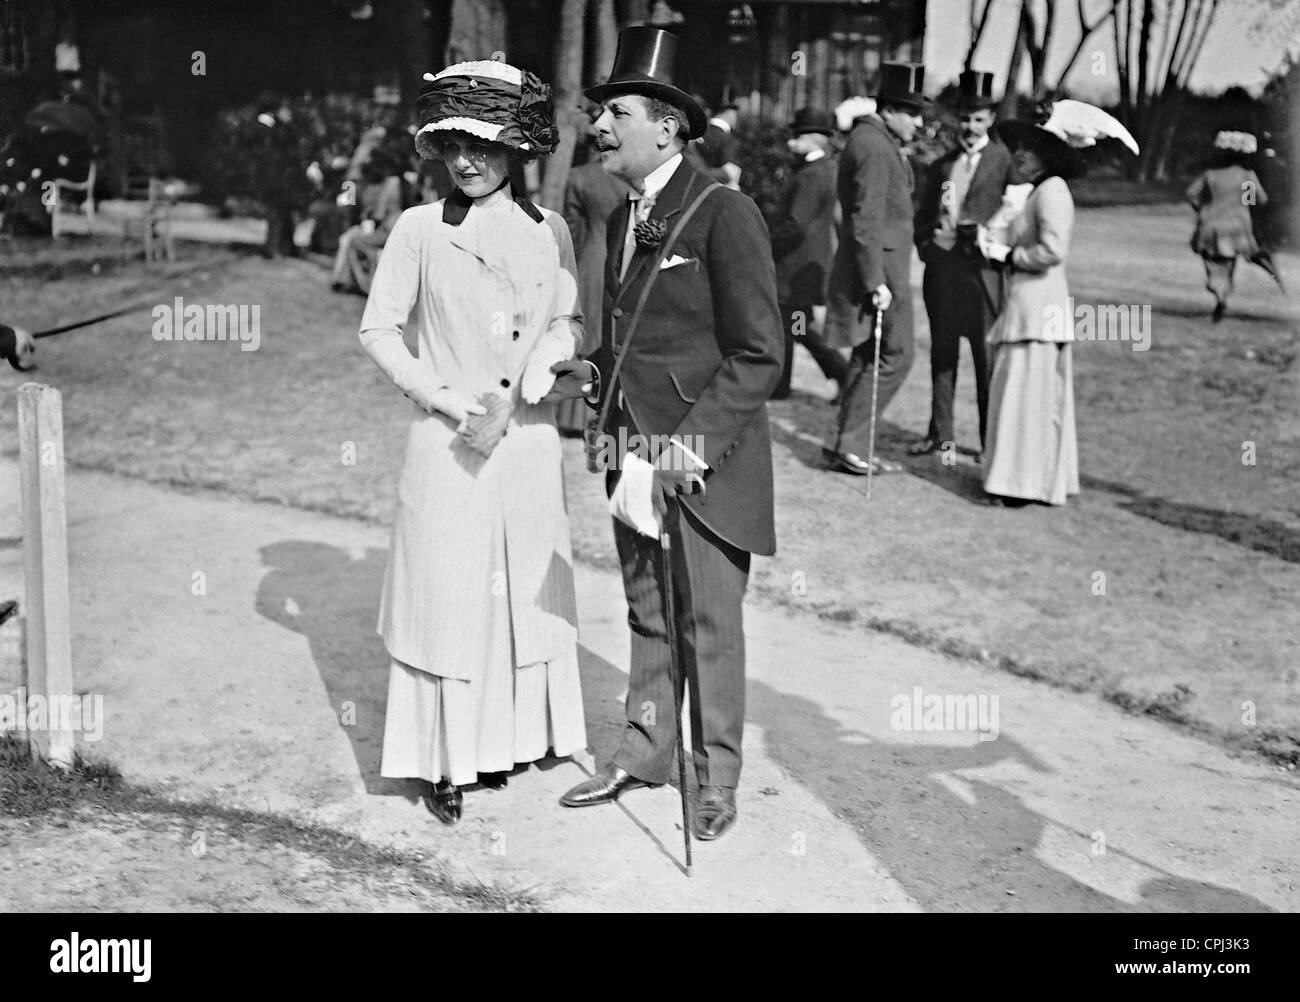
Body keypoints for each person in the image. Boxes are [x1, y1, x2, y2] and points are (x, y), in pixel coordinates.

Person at [549, 26, 783, 841]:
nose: (599, 126)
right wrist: (578, 374)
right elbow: (625, 338)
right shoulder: (620, 216)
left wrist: (682, 449)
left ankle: (714, 782)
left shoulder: (726, 212)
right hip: (627, 455)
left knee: (707, 626)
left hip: (700, 467)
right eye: (599, 113)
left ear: (669, 128)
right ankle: (647, 751)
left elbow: (762, 355)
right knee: (647, 611)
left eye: (616, 113)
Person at [358, 59, 587, 825]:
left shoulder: (550, 228)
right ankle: (444, 763)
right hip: (449, 445)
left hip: (525, 443)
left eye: (484, 146)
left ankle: (505, 745)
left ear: (519, 150)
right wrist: (448, 401)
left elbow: (567, 318)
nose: (466, 160)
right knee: (448, 602)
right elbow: (379, 329)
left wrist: (541, 370)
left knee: (522, 595)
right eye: (454, 143)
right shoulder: (418, 229)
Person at [978, 106, 1092, 507]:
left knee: (1029, 396)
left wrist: (1010, 257)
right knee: (1020, 393)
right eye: (1018, 149)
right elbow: (1009, 235)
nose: (1018, 156)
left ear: (1048, 156)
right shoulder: (1037, 192)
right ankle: (1019, 480)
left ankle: (1022, 484)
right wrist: (997, 232)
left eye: (1027, 150)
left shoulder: (1054, 191)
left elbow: (1053, 250)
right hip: (1027, 307)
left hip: (1039, 310)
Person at [823, 63, 927, 476]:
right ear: (889, 110)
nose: (918, 123)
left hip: (883, 266)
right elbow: (864, 221)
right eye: (912, 112)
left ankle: (842, 443)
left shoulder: (873, 140)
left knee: (872, 354)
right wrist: (875, 282)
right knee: (897, 355)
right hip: (880, 271)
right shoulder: (874, 146)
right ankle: (850, 444)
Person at [910, 69, 1014, 458]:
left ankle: (991, 443)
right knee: (942, 353)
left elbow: (1017, 216)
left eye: (978, 120)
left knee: (986, 360)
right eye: (965, 119)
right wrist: (926, 245)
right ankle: (941, 434)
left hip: (983, 276)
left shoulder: (1005, 162)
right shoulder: (942, 165)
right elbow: (923, 215)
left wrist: (991, 240)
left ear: (991, 120)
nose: (970, 127)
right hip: (943, 274)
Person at [559, 120, 632, 435]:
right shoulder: (629, 175)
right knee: (614, 333)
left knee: (585, 333)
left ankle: (574, 416)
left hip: (590, 261)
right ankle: (612, 408)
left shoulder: (578, 177)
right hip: (624, 258)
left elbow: (573, 228)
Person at [769, 106, 847, 399]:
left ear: (815, 138)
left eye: (797, 136)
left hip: (794, 263)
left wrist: (767, 244)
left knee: (788, 322)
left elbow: (795, 225)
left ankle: (782, 385)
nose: (791, 142)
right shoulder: (827, 168)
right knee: (796, 325)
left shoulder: (810, 175)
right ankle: (840, 374)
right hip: (810, 261)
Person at [1185, 131, 1281, 321]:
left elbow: (1192, 194)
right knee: (1228, 264)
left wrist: (1202, 209)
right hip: (1236, 228)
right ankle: (1224, 292)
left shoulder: (1210, 175)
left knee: (1213, 264)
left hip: (1210, 227)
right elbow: (1256, 200)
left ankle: (1219, 293)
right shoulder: (1246, 176)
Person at [331, 152, 408, 295]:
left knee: (350, 241)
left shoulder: (391, 183)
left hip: (385, 228)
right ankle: (343, 280)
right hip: (374, 226)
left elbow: (378, 214)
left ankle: (358, 284)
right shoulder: (360, 185)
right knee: (346, 239)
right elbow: (351, 208)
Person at [694, 100, 741, 189]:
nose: (736, 119)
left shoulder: (697, 134)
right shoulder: (727, 139)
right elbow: (730, 173)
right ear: (729, 114)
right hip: (716, 191)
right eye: (735, 115)